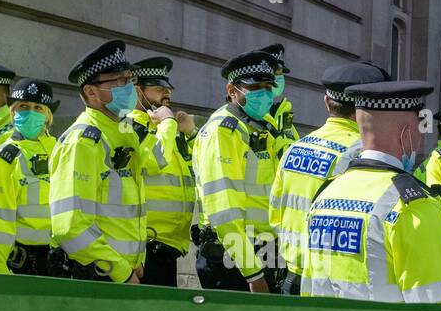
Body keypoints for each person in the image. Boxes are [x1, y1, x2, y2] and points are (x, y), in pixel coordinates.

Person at [301, 79, 441, 304]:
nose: (419, 139)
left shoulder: (325, 195)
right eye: (419, 130)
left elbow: (310, 290)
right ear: (406, 133)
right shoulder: (415, 207)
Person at [49, 39, 176, 283]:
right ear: (91, 91)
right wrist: (121, 271)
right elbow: (70, 226)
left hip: (126, 272)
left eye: (129, 79)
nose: (127, 86)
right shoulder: (82, 141)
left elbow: (157, 160)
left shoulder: (125, 127)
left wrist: (135, 263)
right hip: (99, 276)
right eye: (118, 81)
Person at [270, 60, 388, 294]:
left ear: (327, 102)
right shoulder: (364, 154)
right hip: (332, 283)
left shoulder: (296, 147)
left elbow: (275, 215)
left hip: (292, 275)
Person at [191, 49, 280, 292]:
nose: (264, 93)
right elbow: (223, 211)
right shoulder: (222, 132)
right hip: (232, 258)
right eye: (255, 87)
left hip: (264, 251)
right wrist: (252, 273)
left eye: (268, 87)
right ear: (232, 90)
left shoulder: (265, 127)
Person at [0, 79, 60, 275]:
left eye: (38, 107)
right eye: (24, 106)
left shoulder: (61, 153)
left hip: (60, 263)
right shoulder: (3, 159)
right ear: (13, 112)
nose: (31, 112)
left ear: (47, 116)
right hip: (21, 266)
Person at [130, 55, 196, 287]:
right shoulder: (130, 125)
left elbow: (189, 172)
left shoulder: (164, 128)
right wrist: (168, 124)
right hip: (146, 246)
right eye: (158, 89)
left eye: (168, 89)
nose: (166, 95)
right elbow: (154, 161)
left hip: (169, 245)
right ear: (139, 92)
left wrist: (190, 135)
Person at [262, 43, 299, 158]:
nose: (280, 78)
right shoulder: (245, 118)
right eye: (276, 72)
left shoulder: (284, 118)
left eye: (281, 73)